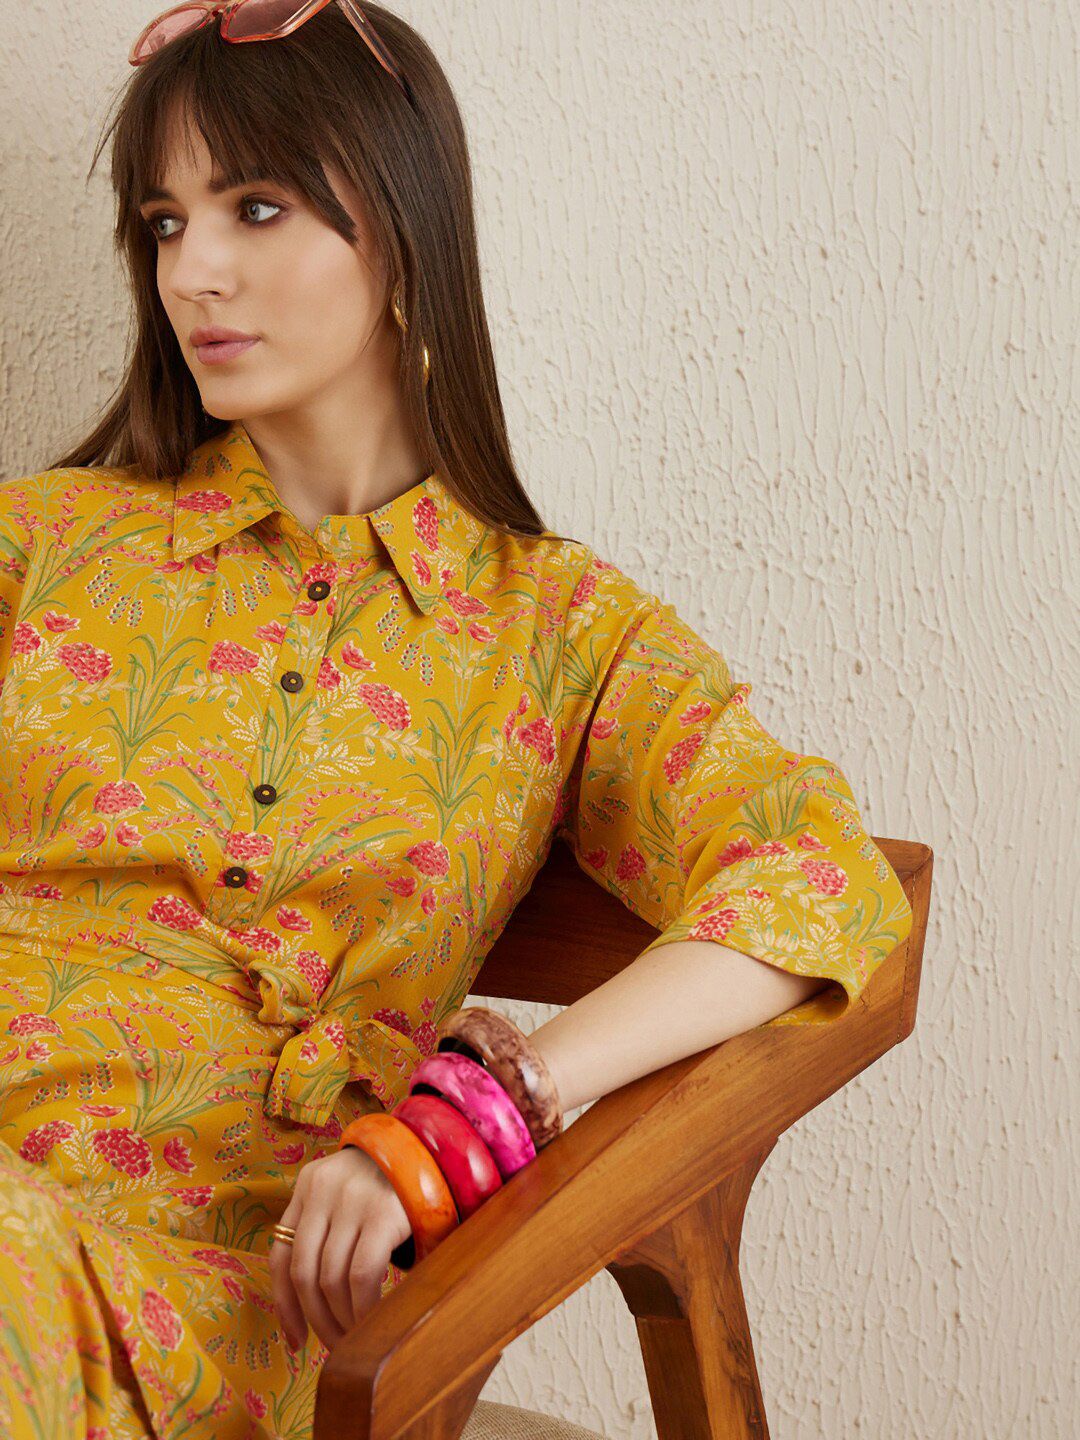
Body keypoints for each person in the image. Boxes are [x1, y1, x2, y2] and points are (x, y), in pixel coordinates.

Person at [0, 4, 914, 1436]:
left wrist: (481, 1109)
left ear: (403, 230)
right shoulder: (43, 548)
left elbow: (820, 876)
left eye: (255, 206)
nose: (193, 271)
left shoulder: (558, 635)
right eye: (164, 222)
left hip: (209, 1308)